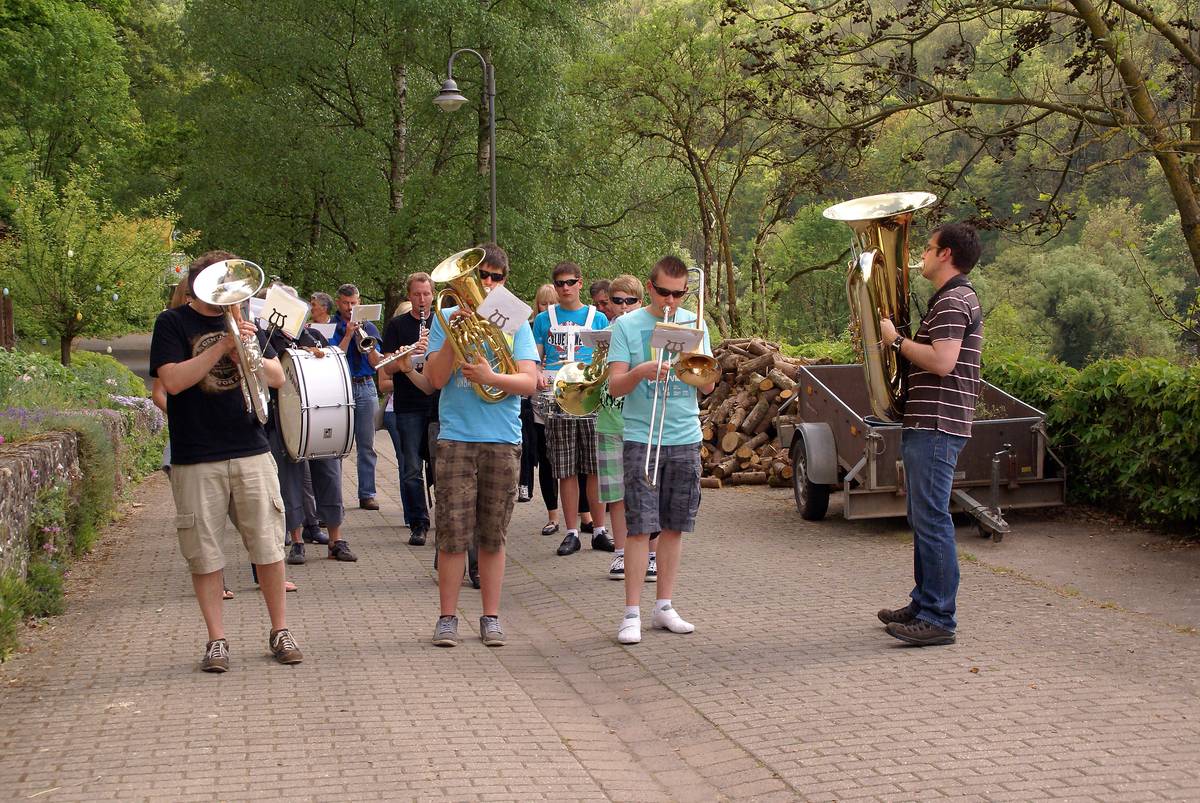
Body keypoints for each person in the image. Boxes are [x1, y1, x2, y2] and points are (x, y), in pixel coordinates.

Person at [149, 250, 302, 672]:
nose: (230, 295)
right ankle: (217, 639)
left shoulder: (243, 320)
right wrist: (221, 348)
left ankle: (280, 630)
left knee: (269, 546)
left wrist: (247, 349)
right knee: (205, 553)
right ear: (200, 285)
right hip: (196, 454)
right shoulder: (173, 323)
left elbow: (276, 378)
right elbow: (173, 382)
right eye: (222, 285)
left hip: (250, 447)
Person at [423, 243, 539, 648]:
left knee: (493, 534)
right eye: (481, 276)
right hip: (456, 437)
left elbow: (526, 383)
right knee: (452, 532)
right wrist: (454, 339)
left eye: (494, 277)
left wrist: (491, 376)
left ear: (504, 281)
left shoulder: (516, 321)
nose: (486, 284)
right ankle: (447, 618)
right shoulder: (448, 317)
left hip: (503, 438)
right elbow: (435, 380)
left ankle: (490, 616)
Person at [877, 222, 984, 647]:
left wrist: (896, 340)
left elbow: (942, 362)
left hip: (938, 423)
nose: (920, 253)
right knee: (922, 516)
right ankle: (923, 603)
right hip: (929, 421)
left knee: (933, 518)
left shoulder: (956, 299)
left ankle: (939, 617)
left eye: (928, 247)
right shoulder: (949, 299)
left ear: (945, 255)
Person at [607, 255, 714, 645]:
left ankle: (664, 605)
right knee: (639, 526)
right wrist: (641, 372)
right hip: (642, 435)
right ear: (649, 288)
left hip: (685, 434)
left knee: (674, 526)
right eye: (664, 292)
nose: (671, 301)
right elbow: (614, 386)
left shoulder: (694, 322)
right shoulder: (627, 325)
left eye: (679, 293)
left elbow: (708, 387)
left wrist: (694, 367)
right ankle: (631, 612)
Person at [263, 285, 353, 566]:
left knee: (329, 476)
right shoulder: (265, 340)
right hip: (283, 421)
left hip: (317, 422)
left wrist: (321, 353)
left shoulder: (313, 336)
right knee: (289, 482)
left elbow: (332, 368)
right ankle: (297, 541)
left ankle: (336, 540)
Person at [532, 261, 611, 556]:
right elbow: (535, 358)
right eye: (559, 283)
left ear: (580, 283)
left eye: (570, 282)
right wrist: (537, 373)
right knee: (565, 468)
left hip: (590, 398)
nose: (565, 288)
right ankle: (571, 531)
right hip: (557, 398)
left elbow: (606, 359)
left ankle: (600, 530)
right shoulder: (543, 319)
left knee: (594, 467)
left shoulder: (598, 317)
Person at [594, 275, 658, 582]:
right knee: (616, 493)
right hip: (609, 419)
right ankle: (620, 552)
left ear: (640, 302)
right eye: (616, 301)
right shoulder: (601, 333)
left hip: (641, 420)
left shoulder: (648, 332)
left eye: (629, 301)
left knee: (649, 490)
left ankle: (653, 553)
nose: (622, 307)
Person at [379, 273, 435, 545]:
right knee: (411, 467)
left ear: (433, 295)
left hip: (438, 404)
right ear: (409, 296)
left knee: (440, 465)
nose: (422, 300)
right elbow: (385, 368)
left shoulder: (442, 323)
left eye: (426, 294)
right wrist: (407, 355)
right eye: (416, 294)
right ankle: (418, 522)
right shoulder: (397, 325)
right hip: (409, 405)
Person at [333, 283, 385, 512]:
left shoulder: (370, 326)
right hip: (340, 388)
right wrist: (347, 335)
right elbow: (335, 357)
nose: (349, 307)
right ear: (338, 302)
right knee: (337, 446)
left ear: (359, 302)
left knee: (367, 445)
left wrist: (365, 342)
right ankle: (335, 498)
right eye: (345, 303)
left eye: (353, 303)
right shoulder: (330, 325)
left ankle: (367, 494)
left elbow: (377, 363)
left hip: (365, 387)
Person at [519, 284, 561, 535]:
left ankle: (583, 515)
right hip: (540, 396)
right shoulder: (536, 325)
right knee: (544, 457)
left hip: (567, 392)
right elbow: (532, 361)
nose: (548, 308)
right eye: (543, 303)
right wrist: (535, 368)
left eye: (552, 302)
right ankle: (552, 515)